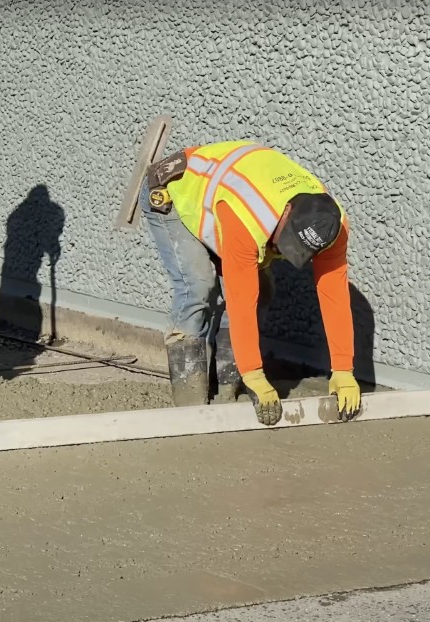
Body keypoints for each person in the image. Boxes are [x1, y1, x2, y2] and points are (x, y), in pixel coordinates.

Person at [140, 140, 362, 425]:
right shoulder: (248, 215)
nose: (284, 252)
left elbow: (334, 294)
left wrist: (343, 369)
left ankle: (226, 397)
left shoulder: (332, 225)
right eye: (287, 243)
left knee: (263, 289)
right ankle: (190, 408)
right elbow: (241, 299)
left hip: (220, 195)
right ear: (287, 213)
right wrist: (254, 373)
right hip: (174, 188)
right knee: (198, 286)